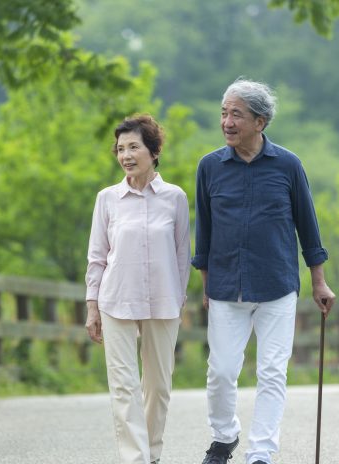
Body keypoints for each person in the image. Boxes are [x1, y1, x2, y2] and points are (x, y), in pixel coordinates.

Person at [192, 78, 336, 464]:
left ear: (261, 121)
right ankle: (224, 438)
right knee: (221, 372)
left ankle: (261, 453)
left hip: (277, 286)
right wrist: (205, 284)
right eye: (223, 113)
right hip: (225, 287)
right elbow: (203, 231)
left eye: (236, 114)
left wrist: (319, 281)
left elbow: (308, 225)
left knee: (272, 372)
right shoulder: (209, 167)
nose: (227, 122)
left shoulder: (288, 165)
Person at [85, 114, 191, 464]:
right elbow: (97, 256)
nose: (126, 155)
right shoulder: (107, 199)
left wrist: (179, 299)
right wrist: (92, 305)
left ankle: (152, 453)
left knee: (157, 386)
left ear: (154, 150)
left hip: (164, 302)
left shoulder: (175, 198)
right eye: (120, 149)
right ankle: (136, 458)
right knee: (124, 385)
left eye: (134, 147)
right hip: (115, 300)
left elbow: (181, 255)